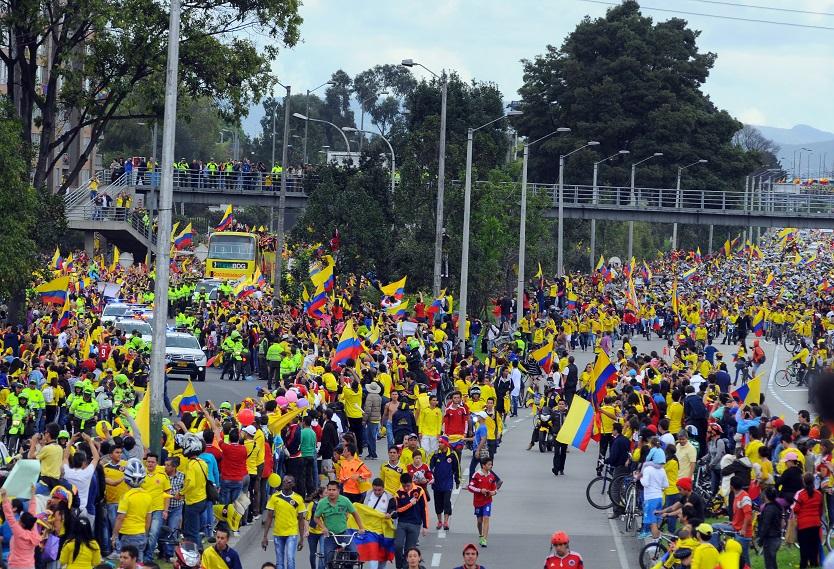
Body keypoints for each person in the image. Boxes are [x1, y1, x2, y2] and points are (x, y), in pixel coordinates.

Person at [314, 481, 366, 565]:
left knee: (354, 554)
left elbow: (355, 514)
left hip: (344, 534)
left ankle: (347, 567)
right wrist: (323, 527)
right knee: (328, 559)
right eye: (329, 489)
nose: (331, 492)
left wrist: (361, 527)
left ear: (338, 490)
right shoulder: (322, 503)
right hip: (330, 535)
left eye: (334, 490)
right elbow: (316, 518)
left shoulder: (345, 501)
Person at [112, 458, 152, 562]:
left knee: (127, 563)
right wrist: (145, 534)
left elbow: (120, 518)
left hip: (127, 534)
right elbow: (148, 519)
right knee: (139, 562)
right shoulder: (148, 496)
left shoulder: (126, 497)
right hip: (141, 534)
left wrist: (114, 536)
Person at [262, 474, 306, 569]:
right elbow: (269, 517)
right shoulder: (274, 497)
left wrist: (302, 538)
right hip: (278, 533)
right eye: (284, 481)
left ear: (293, 484)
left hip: (292, 533)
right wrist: (265, 536)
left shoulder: (298, 499)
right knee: (279, 561)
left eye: (289, 482)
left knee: (290, 559)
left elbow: (301, 520)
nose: (285, 483)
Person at [391, 473, 428, 569]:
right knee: (398, 546)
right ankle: (399, 567)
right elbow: (398, 510)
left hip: (415, 524)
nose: (406, 488)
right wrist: (410, 504)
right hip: (402, 523)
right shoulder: (398, 493)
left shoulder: (419, 491)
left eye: (408, 485)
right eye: (404, 486)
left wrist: (425, 526)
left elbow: (424, 509)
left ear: (412, 482)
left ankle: (405, 567)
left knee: (409, 551)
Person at [0, 486, 39, 569]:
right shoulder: (33, 529)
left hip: (16, 566)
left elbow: (9, 516)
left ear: (22, 524)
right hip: (30, 566)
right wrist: (33, 494)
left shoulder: (19, 532)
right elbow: (32, 512)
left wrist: (4, 497)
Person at [467, 457, 501, 548]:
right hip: (478, 502)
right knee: (479, 521)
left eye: (491, 464)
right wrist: (480, 490)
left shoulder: (491, 476)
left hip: (487, 501)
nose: (491, 466)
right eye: (489, 464)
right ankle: (480, 535)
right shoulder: (476, 475)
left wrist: (493, 492)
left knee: (486, 518)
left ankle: (484, 539)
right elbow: (470, 487)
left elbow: (495, 489)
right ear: (483, 465)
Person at [793, 472, 824, 569]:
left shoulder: (801, 494)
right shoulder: (819, 494)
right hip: (815, 523)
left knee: (804, 546)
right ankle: (814, 563)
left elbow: (796, 509)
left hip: (803, 525)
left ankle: (804, 564)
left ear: (803, 482)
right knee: (814, 545)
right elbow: (821, 510)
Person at [429, 435, 460, 530]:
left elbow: (457, 468)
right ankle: (439, 521)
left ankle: (446, 522)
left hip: (447, 483)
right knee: (438, 503)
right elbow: (429, 468)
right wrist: (429, 478)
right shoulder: (435, 454)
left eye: (441, 442)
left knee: (446, 502)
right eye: (439, 442)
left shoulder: (452, 455)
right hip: (437, 483)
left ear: (446, 444)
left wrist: (457, 480)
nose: (439, 444)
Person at [757, 486, 782, 569]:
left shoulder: (769, 508)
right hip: (776, 537)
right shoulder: (776, 506)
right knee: (773, 562)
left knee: (769, 564)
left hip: (770, 539)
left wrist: (761, 539)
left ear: (766, 496)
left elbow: (766, 525)